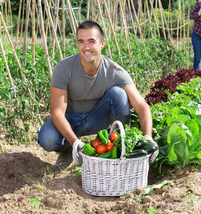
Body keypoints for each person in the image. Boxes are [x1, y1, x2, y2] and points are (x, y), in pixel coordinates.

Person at [37, 20, 158, 164]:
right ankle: (70, 147)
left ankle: (116, 148)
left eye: (91, 41)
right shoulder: (64, 69)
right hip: (71, 119)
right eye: (81, 41)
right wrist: (76, 142)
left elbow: (141, 106)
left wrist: (148, 138)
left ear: (102, 43)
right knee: (47, 139)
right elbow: (56, 112)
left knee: (119, 94)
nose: (86, 47)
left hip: (97, 118)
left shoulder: (115, 72)